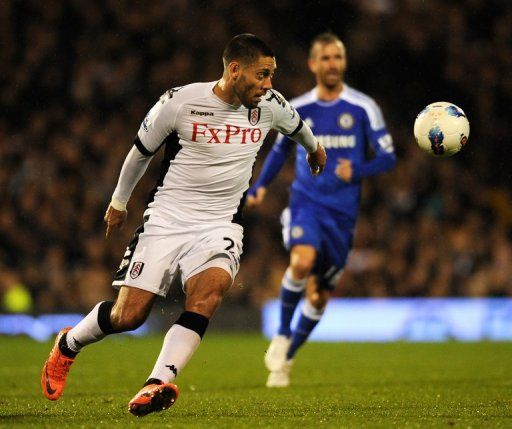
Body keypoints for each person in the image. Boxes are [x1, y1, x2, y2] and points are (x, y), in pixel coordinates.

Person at [41, 33, 326, 416]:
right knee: (129, 316)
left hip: (221, 224)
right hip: (166, 220)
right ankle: (68, 344)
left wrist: (315, 149)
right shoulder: (180, 101)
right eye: (262, 74)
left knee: (208, 294)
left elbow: (299, 128)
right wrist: (119, 202)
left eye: (272, 75)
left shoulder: (270, 106)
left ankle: (156, 382)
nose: (269, 84)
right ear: (234, 69)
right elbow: (140, 153)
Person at [247, 32, 396, 388]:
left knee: (318, 297)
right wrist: (261, 186)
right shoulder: (298, 107)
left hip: (342, 217)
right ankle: (282, 334)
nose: (333, 64)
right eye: (326, 58)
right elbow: (281, 151)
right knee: (300, 262)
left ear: (344, 63)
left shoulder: (363, 107)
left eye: (338, 57)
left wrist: (357, 170)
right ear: (314, 64)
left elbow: (388, 157)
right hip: (306, 203)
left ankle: (286, 358)